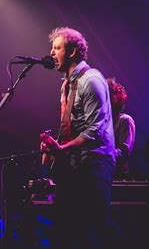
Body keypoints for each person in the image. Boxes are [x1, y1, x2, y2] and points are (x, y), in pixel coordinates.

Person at [40, 27, 117, 247]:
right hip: (73, 167)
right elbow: (70, 129)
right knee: (66, 232)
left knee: (98, 229)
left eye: (57, 48)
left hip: (94, 165)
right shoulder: (66, 85)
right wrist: (53, 147)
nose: (51, 53)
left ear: (73, 51)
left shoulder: (90, 81)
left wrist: (62, 149)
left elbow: (95, 131)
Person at [106, 77, 136, 179]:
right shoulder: (104, 122)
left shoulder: (125, 120)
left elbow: (124, 151)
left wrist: (102, 154)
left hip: (118, 175)